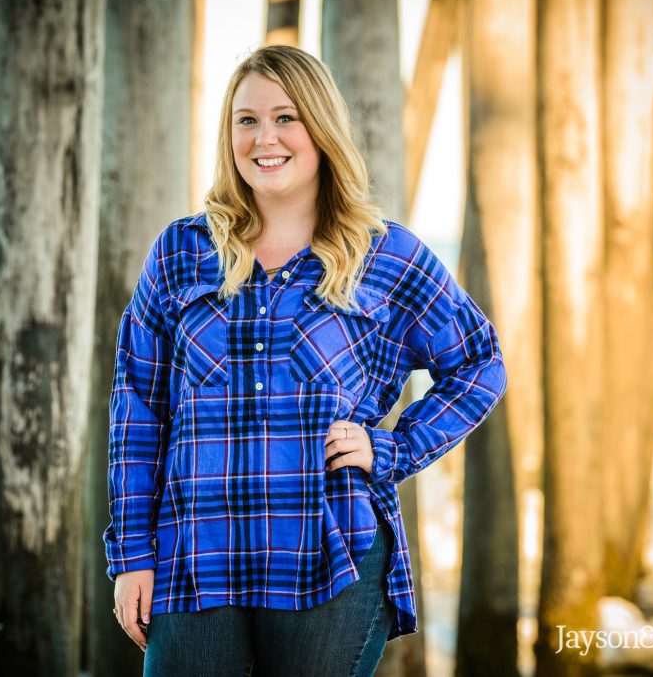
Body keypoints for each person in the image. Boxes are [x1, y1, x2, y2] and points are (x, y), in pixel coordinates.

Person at [104, 45, 507, 676]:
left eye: (285, 117)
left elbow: (479, 363)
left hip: (330, 558)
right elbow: (137, 409)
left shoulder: (385, 256)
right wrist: (132, 554)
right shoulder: (181, 253)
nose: (264, 137)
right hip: (195, 557)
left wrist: (394, 447)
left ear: (320, 128)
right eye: (246, 120)